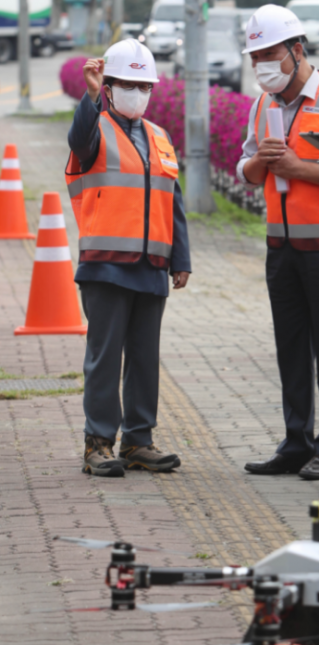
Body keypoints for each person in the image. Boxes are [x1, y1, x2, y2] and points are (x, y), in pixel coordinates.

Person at [238, 4, 319, 481]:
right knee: (291, 350)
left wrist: (300, 170)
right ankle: (297, 443)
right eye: (255, 57)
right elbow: (246, 166)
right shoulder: (263, 105)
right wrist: (263, 165)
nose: (262, 66)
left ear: (297, 50)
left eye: (270, 54)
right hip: (282, 247)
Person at [66, 39, 191, 478]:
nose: (138, 93)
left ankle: (139, 441)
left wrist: (181, 258)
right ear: (111, 85)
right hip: (105, 265)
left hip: (152, 267)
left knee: (144, 356)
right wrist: (91, 94)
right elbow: (77, 139)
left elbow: (172, 200)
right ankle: (97, 443)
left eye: (145, 85)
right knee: (105, 356)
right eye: (128, 84)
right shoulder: (94, 127)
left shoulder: (159, 136)